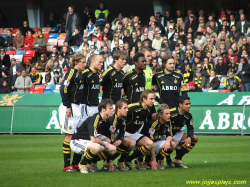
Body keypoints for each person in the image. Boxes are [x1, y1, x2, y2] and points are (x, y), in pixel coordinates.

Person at [70, 99, 116, 173]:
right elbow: (94, 139)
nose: (113, 110)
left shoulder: (106, 120)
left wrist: (110, 161)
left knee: (113, 149)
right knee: (97, 146)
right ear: (103, 109)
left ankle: (91, 162)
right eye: (110, 108)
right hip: (78, 141)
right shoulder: (95, 118)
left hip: (89, 141)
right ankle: (83, 164)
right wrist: (104, 144)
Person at [58, 53, 87, 172]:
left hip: (77, 107)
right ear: (76, 63)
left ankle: (75, 164)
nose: (85, 64)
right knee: (69, 136)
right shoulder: (72, 72)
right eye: (83, 62)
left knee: (76, 135)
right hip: (70, 107)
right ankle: (66, 165)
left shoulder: (80, 74)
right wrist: (68, 106)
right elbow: (63, 88)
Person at [124, 90, 158, 170]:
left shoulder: (148, 109)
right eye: (151, 99)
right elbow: (119, 113)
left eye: (154, 99)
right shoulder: (132, 107)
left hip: (134, 133)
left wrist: (154, 159)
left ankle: (128, 160)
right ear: (144, 99)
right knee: (131, 143)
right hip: (124, 132)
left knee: (150, 144)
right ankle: (120, 161)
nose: (153, 101)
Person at [141, 103, 177, 169]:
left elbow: (169, 135)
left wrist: (167, 142)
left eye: (169, 113)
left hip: (155, 145)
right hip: (147, 146)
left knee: (173, 143)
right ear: (160, 114)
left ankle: (158, 160)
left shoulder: (168, 122)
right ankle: (140, 161)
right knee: (151, 144)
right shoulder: (153, 124)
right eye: (167, 114)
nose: (169, 115)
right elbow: (151, 143)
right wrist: (153, 160)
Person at [171, 96, 198, 168]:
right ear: (180, 105)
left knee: (194, 138)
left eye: (189, 104)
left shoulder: (188, 115)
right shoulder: (171, 113)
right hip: (166, 136)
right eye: (186, 104)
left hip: (176, 134)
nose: (189, 106)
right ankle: (157, 160)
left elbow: (190, 128)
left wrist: (189, 137)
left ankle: (178, 159)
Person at [82, 54, 103, 120]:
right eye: (100, 62)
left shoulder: (98, 74)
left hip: (96, 105)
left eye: (102, 62)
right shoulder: (85, 74)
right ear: (93, 61)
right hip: (87, 106)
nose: (102, 64)